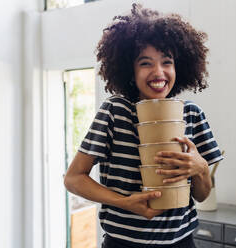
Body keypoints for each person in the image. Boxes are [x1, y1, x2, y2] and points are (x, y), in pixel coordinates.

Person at [64, 3, 223, 248]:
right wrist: (124, 202)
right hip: (123, 243)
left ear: (178, 67)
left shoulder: (192, 114)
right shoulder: (114, 112)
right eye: (146, 63)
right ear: (131, 69)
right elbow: (73, 178)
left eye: (167, 62)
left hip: (181, 242)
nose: (158, 72)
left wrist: (200, 168)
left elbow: (201, 195)